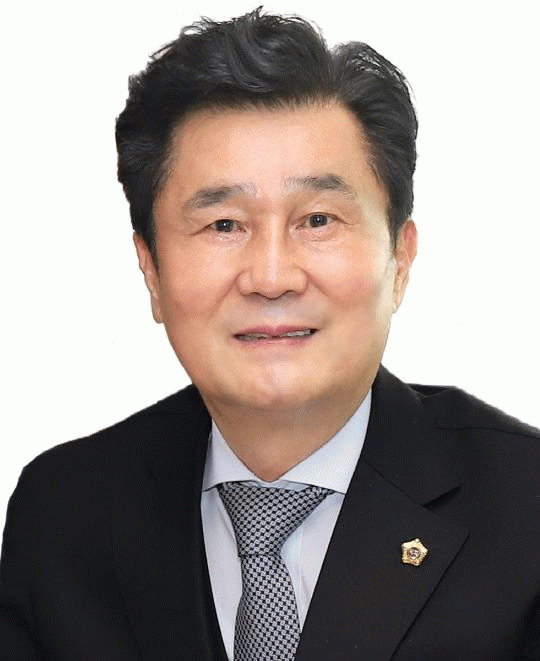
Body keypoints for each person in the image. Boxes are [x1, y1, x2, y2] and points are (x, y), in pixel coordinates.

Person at [1, 7, 539, 660]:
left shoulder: (525, 507)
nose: (272, 277)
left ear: (400, 260)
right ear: (152, 271)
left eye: (317, 219)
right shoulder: (62, 514)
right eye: (224, 225)